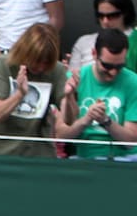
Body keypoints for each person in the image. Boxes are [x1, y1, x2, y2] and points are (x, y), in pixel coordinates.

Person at [0, 22, 69, 158]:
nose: (41, 67)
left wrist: (70, 96)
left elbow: (69, 119)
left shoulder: (57, 70)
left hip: (38, 155)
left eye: (46, 62)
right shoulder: (5, 63)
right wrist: (19, 94)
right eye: (37, 61)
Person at [56, 28, 137, 160]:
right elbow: (61, 135)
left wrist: (105, 121)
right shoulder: (75, 79)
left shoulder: (133, 82)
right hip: (84, 156)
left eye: (119, 66)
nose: (113, 72)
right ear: (94, 54)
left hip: (124, 157)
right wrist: (85, 117)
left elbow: (131, 141)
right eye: (107, 66)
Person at [66, 0, 135, 73]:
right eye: (101, 16)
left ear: (125, 13)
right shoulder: (84, 42)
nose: (105, 21)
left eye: (112, 16)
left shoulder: (134, 41)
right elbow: (71, 77)